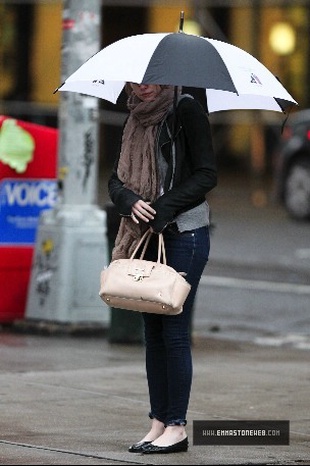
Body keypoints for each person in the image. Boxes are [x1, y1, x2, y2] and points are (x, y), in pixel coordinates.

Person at [108, 82, 217, 454]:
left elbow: (206, 174)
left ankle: (176, 425)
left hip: (184, 234)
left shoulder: (185, 109)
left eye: (153, 79)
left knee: (172, 330)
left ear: (169, 77)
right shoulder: (134, 118)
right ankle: (158, 421)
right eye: (138, 80)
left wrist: (164, 206)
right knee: (151, 331)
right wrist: (131, 200)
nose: (145, 87)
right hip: (145, 234)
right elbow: (116, 180)